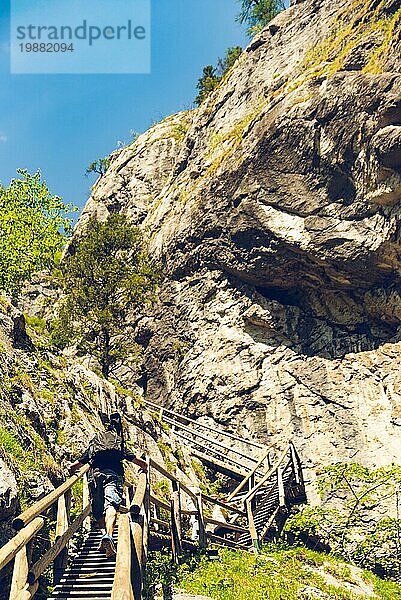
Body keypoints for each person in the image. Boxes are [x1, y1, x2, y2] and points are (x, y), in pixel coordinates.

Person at [69, 412, 147, 558]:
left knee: (98, 511)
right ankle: (109, 537)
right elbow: (136, 460)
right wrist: (145, 467)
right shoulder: (118, 441)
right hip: (114, 475)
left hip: (95, 476)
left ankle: (104, 535)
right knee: (110, 505)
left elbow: (78, 463)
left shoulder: (96, 441)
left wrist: (71, 471)